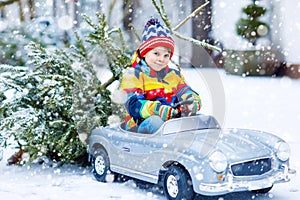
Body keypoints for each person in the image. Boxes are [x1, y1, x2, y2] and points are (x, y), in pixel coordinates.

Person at [120, 18, 202, 134]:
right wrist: (156, 109)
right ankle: (165, 148)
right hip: (139, 125)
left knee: (199, 120)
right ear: (145, 53)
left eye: (166, 55)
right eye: (156, 53)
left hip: (171, 124)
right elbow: (132, 104)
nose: (161, 59)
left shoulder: (173, 75)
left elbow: (185, 90)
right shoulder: (133, 75)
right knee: (156, 122)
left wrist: (192, 100)